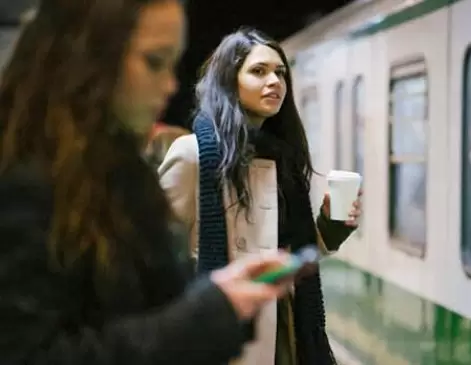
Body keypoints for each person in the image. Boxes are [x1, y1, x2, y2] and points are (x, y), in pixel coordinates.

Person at [0, 2, 292, 364]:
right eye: (155, 62)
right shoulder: (23, 183)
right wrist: (208, 314)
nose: (171, 86)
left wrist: (220, 293)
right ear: (86, 56)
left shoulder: (117, 171)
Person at [158, 27, 363, 365]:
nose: (275, 81)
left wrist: (331, 226)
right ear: (229, 80)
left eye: (280, 73)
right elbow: (156, 256)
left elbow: (289, 255)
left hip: (285, 327)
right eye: (258, 71)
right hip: (221, 329)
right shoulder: (194, 154)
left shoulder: (282, 160)